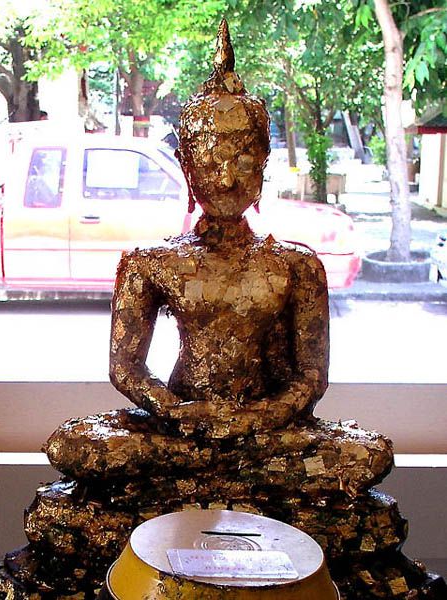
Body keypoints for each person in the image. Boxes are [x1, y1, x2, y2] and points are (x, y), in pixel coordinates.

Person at [108, 19, 329, 440]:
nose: (226, 179)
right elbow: (125, 368)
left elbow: (311, 377)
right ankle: (200, 456)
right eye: (209, 162)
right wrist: (179, 412)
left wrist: (259, 417)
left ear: (263, 163)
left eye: (242, 159)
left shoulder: (297, 266)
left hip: (264, 431)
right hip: (182, 423)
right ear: (185, 166)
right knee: (73, 444)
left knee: (366, 454)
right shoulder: (149, 264)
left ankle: (213, 461)